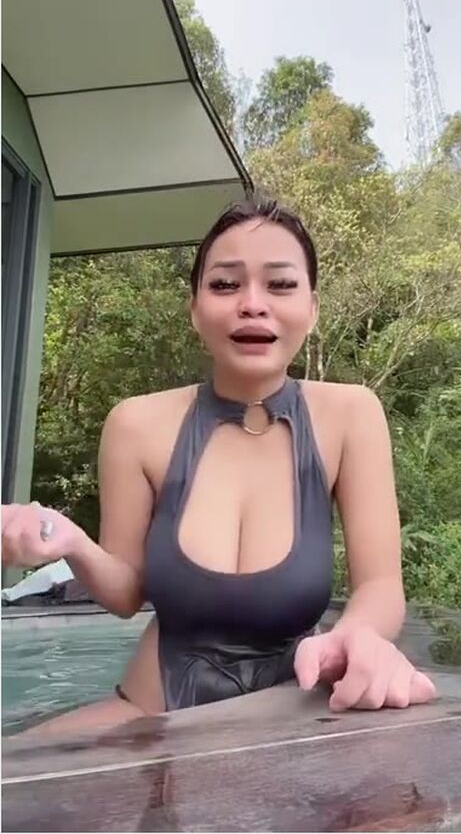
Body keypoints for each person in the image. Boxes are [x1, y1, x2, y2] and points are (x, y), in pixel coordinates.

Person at [2, 196, 436, 735]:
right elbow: (126, 593)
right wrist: (71, 541)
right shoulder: (136, 424)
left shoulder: (351, 415)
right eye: (226, 284)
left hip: (289, 714)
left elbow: (380, 587)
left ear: (312, 308)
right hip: (148, 716)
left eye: (280, 284)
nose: (252, 304)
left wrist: (359, 635)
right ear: (195, 310)